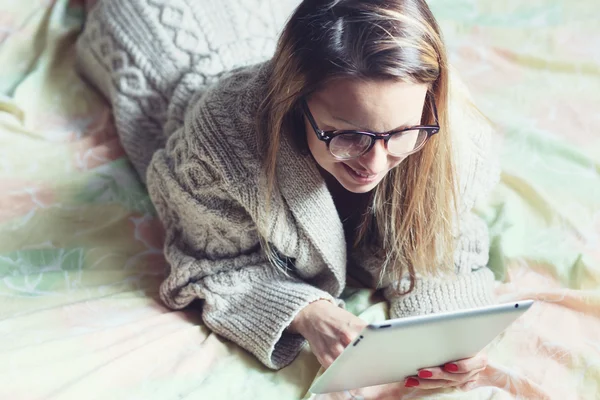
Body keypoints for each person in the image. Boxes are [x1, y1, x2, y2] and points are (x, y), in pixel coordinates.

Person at [76, 0, 499, 393]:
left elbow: (447, 240)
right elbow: (209, 264)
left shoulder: (445, 131)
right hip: (152, 25)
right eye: (349, 134)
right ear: (294, 103)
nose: (375, 161)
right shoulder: (220, 143)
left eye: (402, 134)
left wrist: (451, 328)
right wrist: (307, 313)